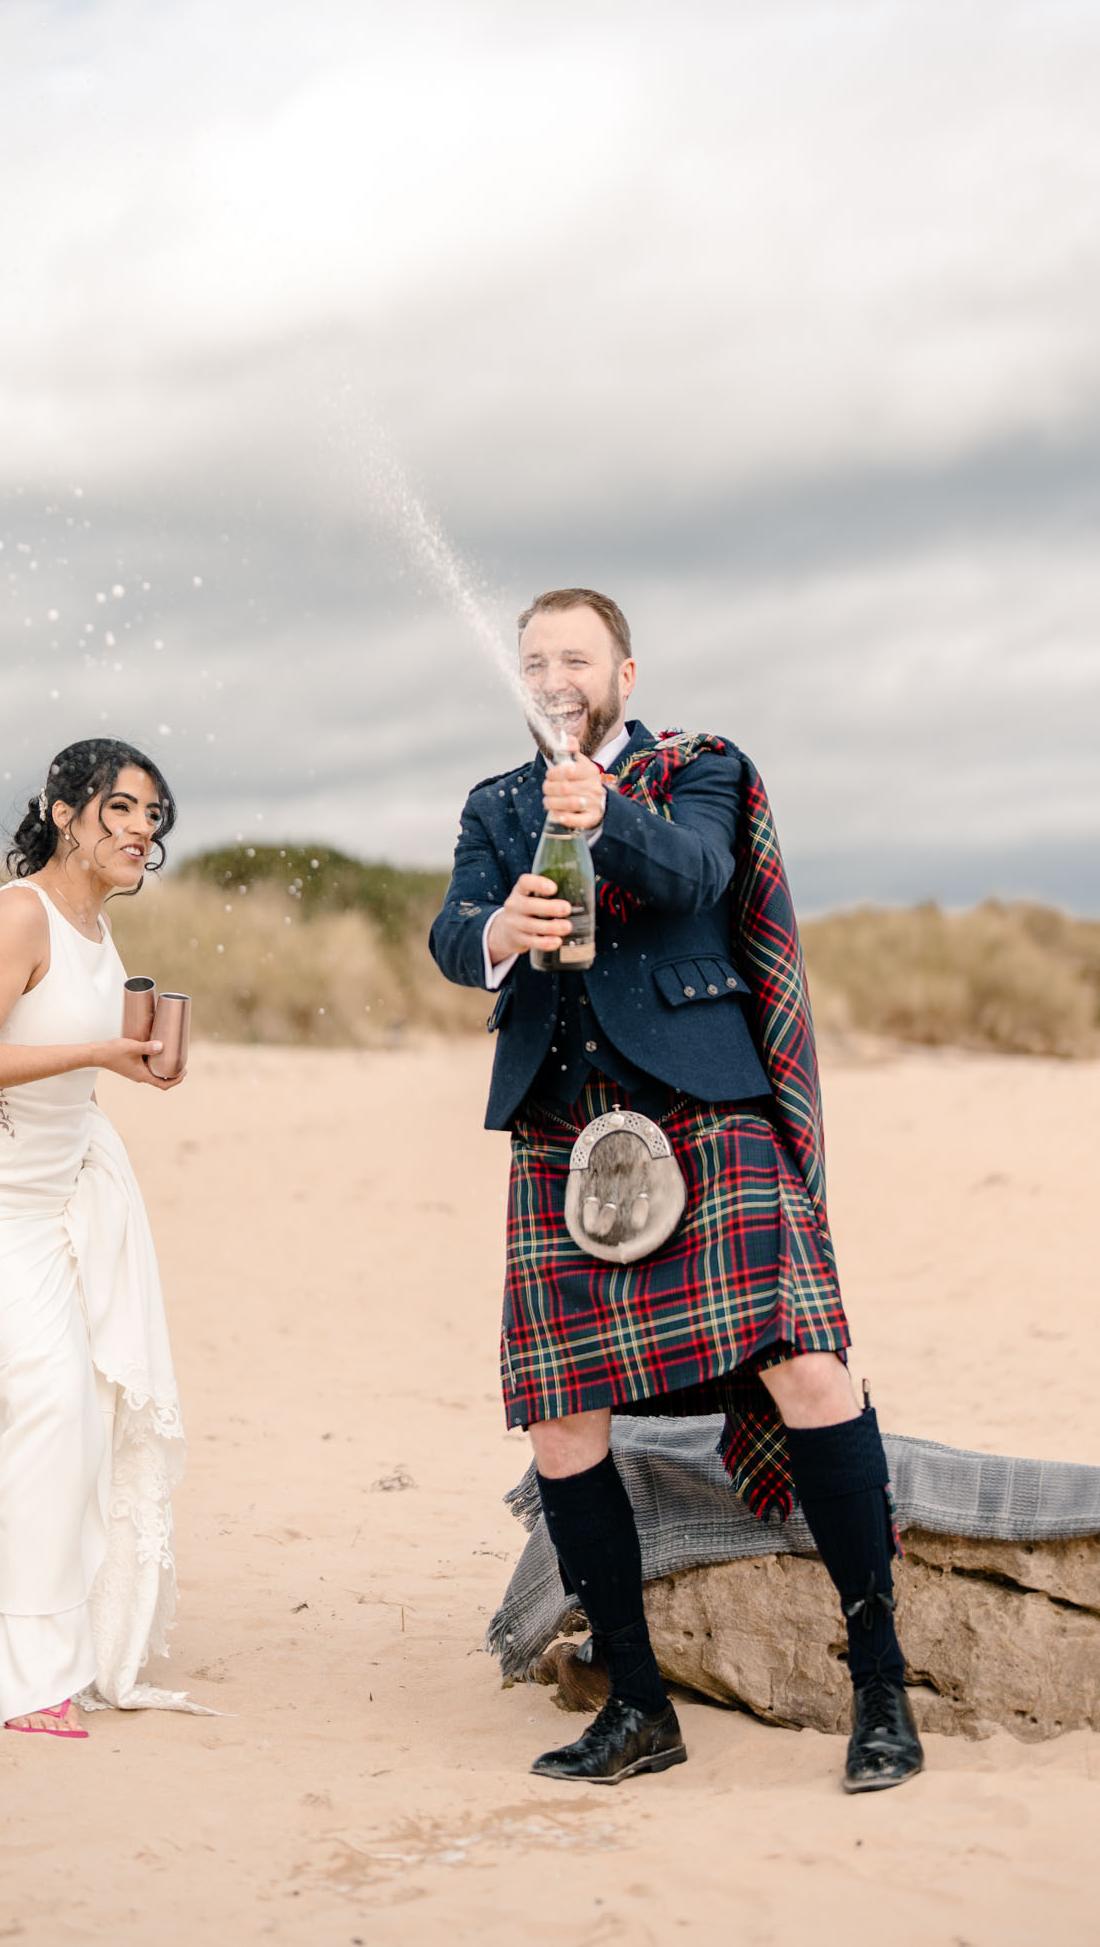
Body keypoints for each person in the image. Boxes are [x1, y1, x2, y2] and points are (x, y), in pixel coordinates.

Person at [429, 589, 922, 1794]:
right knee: (559, 1415)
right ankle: (637, 1708)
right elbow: (450, 938)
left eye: (574, 656)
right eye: (532, 657)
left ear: (623, 674)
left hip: (706, 1107)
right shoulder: (495, 805)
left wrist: (607, 814)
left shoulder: (698, 768)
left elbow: (698, 876)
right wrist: (497, 924)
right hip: (562, 1126)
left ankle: (880, 1690)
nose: (551, 673)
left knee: (807, 1367)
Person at [0, 738, 197, 1737]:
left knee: (72, 1407)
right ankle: (16, 1672)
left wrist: (130, 1065)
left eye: (153, 815)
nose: (141, 830)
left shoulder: (99, 934)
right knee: (47, 1394)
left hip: (56, 1196)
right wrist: (103, 1048)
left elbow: (66, 1075)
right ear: (65, 811)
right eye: (121, 808)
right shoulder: (18, 912)